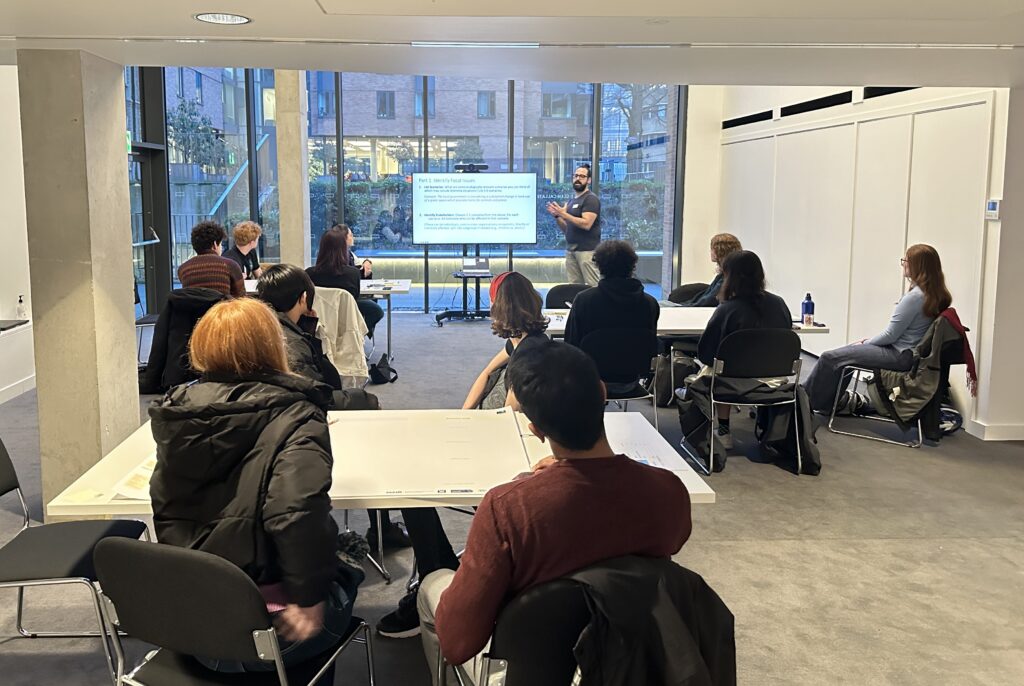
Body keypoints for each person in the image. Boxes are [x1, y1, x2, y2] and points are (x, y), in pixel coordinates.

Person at [418, 340, 692, 684]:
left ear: (534, 428)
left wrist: (538, 486)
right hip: (632, 659)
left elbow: (458, 642)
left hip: (532, 668)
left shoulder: (508, 508)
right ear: (602, 392)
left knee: (432, 586)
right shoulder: (669, 493)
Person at [148, 298, 360, 674]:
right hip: (266, 631)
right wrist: (308, 597)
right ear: (274, 345)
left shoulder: (176, 412)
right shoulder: (296, 414)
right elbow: (294, 514)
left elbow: (165, 505)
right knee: (349, 569)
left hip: (188, 616)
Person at [256, 265, 410, 553]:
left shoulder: (263, 329)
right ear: (303, 298)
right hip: (300, 420)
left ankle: (383, 525)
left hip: (274, 419)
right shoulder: (291, 343)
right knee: (374, 417)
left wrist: (308, 332)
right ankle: (382, 526)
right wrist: (365, 401)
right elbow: (316, 392)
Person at [803, 243, 952, 414]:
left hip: (900, 354)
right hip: (909, 353)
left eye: (906, 261)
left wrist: (865, 342)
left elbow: (890, 335)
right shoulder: (934, 294)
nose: (903, 264)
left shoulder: (914, 298)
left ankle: (804, 401)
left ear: (918, 266)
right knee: (844, 356)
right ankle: (829, 402)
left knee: (829, 357)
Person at [677, 250, 792, 462]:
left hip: (732, 382)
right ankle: (772, 431)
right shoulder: (779, 304)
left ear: (729, 277)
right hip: (775, 380)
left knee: (720, 370)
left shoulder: (727, 310)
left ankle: (723, 430)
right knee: (730, 367)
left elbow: (707, 353)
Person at [462, 271, 549, 410]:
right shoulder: (519, 340)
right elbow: (488, 372)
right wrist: (464, 413)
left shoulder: (528, 356)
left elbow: (510, 413)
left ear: (497, 306)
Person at [564, 240, 659, 348]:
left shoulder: (584, 301)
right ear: (632, 265)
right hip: (637, 358)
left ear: (599, 266)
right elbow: (649, 343)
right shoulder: (650, 303)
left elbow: (571, 344)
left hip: (593, 359)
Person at [306, 224, 385, 334]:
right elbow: (354, 299)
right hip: (348, 318)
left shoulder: (309, 274)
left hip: (321, 321)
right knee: (376, 311)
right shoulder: (353, 274)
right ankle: (359, 335)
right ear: (343, 248)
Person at [546, 164, 602, 286]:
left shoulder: (590, 199)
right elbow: (567, 229)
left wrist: (563, 214)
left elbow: (586, 224)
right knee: (574, 287)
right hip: (571, 251)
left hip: (587, 251)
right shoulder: (572, 201)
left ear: (589, 180)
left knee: (594, 286)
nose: (578, 179)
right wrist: (557, 216)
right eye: (576, 176)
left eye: (582, 176)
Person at [177, 220, 245, 297]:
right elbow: (241, 297)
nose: (221, 248)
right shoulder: (230, 265)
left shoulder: (183, 269)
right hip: (222, 305)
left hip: (193, 305)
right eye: (221, 244)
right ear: (215, 244)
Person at [680, 233, 743, 307]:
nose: (710, 252)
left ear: (719, 251)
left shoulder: (726, 278)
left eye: (712, 249)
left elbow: (708, 301)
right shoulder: (726, 275)